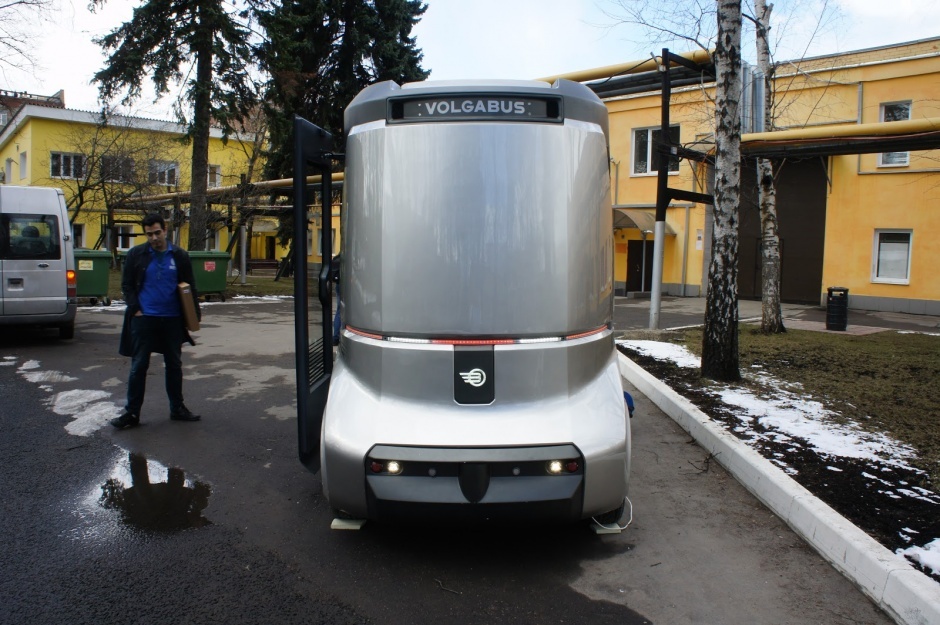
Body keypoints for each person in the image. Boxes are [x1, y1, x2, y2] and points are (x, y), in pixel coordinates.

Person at [111, 213, 201, 429]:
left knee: (174, 364)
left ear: (165, 230)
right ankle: (132, 413)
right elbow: (127, 285)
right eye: (149, 234)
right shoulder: (136, 254)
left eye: (157, 233)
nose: (153, 238)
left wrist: (193, 315)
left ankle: (177, 408)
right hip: (145, 319)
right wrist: (136, 309)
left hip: (172, 319)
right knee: (139, 365)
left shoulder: (179, 255)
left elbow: (189, 285)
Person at [331, 252, 341, 346]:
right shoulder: (348, 258)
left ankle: (335, 337)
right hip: (345, 285)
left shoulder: (337, 258)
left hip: (338, 285)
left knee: (339, 310)